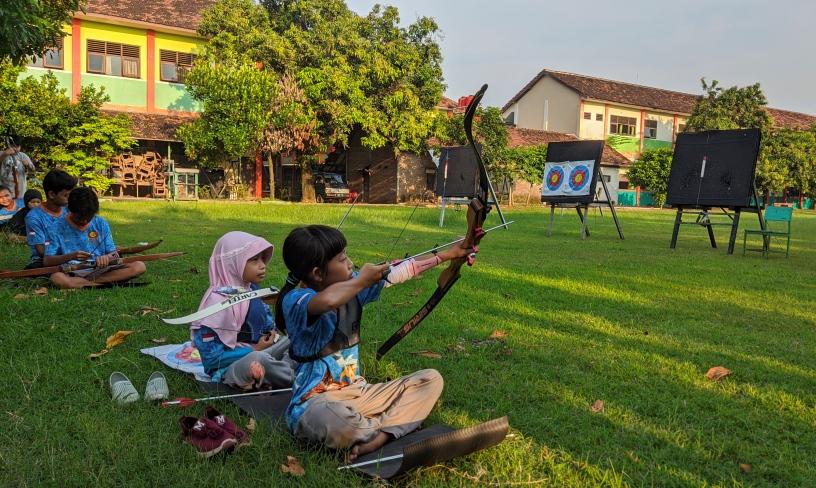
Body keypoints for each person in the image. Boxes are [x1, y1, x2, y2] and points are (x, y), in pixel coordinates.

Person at [274, 224, 473, 460]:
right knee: (334, 421)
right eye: (343, 259)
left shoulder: (352, 286)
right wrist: (361, 282)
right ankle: (391, 426)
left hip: (360, 394)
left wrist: (448, 254)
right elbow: (326, 302)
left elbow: (398, 271)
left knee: (430, 380)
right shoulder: (295, 300)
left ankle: (377, 435)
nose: (350, 263)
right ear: (318, 274)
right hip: (316, 404)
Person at [190, 231, 294, 390]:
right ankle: (296, 377)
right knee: (258, 359)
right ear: (233, 263)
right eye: (254, 260)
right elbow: (212, 360)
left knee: (295, 337)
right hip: (230, 368)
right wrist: (255, 348)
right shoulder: (215, 305)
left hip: (264, 350)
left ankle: (280, 371)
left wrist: (272, 335)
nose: (262, 265)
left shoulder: (250, 290)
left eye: (262, 259)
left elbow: (265, 322)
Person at [44, 187, 146, 289]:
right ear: (70, 209)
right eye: (80, 217)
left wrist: (106, 258)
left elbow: (114, 253)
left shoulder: (101, 222)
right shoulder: (55, 227)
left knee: (139, 266)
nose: (84, 221)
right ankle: (107, 282)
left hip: (101, 270)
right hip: (72, 271)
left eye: (89, 217)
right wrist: (71, 256)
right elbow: (47, 261)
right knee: (57, 278)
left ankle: (85, 283)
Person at [25, 169, 76, 268]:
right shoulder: (34, 217)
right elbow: (41, 251)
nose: (70, 198)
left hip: (72, 256)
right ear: (52, 194)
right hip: (45, 260)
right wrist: (71, 255)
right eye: (66, 195)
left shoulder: (69, 210)